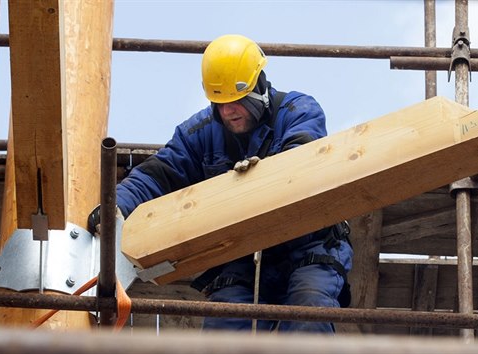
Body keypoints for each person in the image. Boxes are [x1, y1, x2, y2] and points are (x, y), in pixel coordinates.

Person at [114, 34, 353, 333]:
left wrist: (261, 177)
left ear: (260, 86)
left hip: (307, 244)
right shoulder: (198, 133)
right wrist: (116, 207)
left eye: (237, 101)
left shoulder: (298, 111)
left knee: (309, 309)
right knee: (226, 319)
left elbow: (302, 164)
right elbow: (157, 174)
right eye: (220, 103)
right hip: (240, 252)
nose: (228, 112)